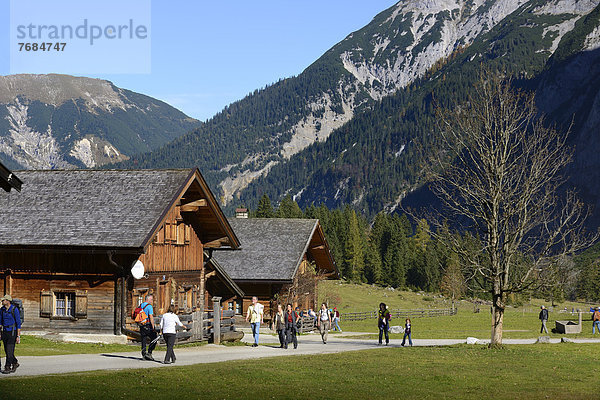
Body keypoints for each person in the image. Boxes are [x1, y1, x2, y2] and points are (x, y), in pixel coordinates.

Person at [0, 295, 21, 374]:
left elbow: (18, 323)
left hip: (12, 332)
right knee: (7, 350)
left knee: (9, 350)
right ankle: (15, 363)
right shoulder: (2, 310)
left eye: (3, 300)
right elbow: (0, 322)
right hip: (4, 332)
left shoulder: (14, 309)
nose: (2, 302)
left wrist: (18, 336)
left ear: (8, 301)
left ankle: (7, 367)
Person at [138, 294, 157, 361]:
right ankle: (149, 352)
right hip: (148, 325)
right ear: (148, 299)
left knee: (143, 339)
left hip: (141, 325)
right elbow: (151, 317)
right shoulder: (149, 306)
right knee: (154, 338)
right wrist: (153, 327)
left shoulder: (141, 305)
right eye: (151, 299)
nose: (152, 301)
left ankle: (143, 354)